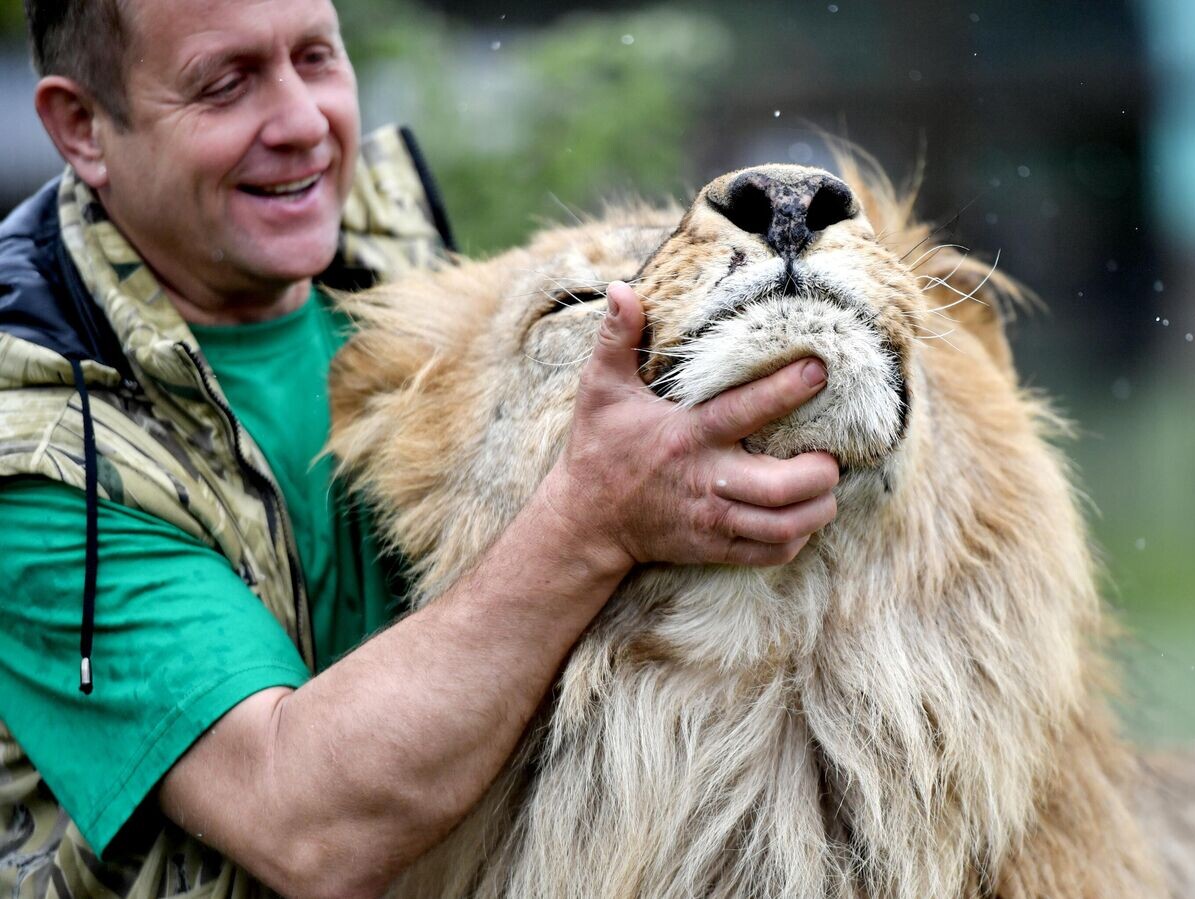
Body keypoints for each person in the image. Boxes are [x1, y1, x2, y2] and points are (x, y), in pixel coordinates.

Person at [0, 0, 840, 896]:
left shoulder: (388, 248)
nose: (302, 123)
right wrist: (596, 516)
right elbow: (306, 827)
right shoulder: (35, 444)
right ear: (81, 127)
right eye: (226, 84)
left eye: (317, 57)